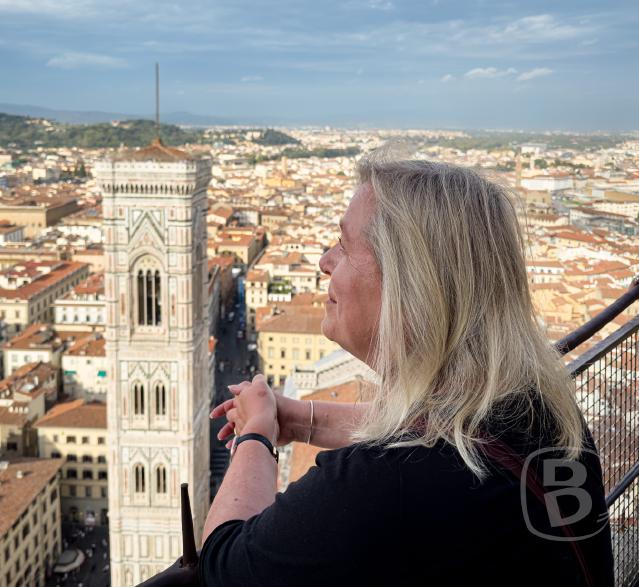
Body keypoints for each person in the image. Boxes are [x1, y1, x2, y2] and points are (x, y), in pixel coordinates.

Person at [201, 156, 614, 586]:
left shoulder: (383, 488)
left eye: (343, 246)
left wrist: (255, 437)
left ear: (406, 283)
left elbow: (223, 566)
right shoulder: (539, 404)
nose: (324, 260)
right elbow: (441, 435)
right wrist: (302, 419)